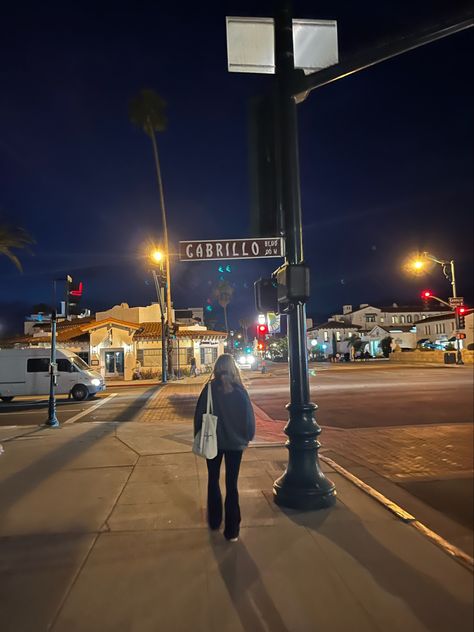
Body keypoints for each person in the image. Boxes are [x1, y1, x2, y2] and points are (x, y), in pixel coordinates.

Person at [193, 353, 255, 542]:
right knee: (232, 484)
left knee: (213, 480)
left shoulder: (209, 389)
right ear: (233, 368)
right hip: (235, 444)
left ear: (217, 369)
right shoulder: (239, 391)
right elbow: (248, 419)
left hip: (213, 442)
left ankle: (214, 520)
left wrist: (198, 434)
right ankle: (232, 530)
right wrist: (247, 436)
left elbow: (199, 415)